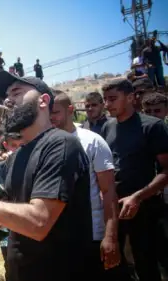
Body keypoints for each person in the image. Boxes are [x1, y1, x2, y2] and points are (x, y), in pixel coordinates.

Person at [0, 71, 93, 281]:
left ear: (43, 100)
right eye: (6, 96)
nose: (8, 100)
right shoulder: (16, 156)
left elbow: (38, 223)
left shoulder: (61, 145)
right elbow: (9, 219)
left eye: (16, 92)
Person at [51, 92, 132, 280]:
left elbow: (108, 191)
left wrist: (110, 236)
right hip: (59, 239)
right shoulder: (46, 145)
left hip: (91, 236)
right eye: (48, 114)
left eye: (55, 112)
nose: (51, 118)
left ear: (70, 110)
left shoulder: (92, 142)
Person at [101, 79, 168, 281]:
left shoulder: (153, 127)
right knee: (116, 261)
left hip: (146, 208)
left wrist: (138, 197)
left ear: (130, 97)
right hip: (115, 207)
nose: (107, 104)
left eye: (113, 99)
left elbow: (166, 169)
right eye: (105, 99)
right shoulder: (107, 127)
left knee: (147, 263)